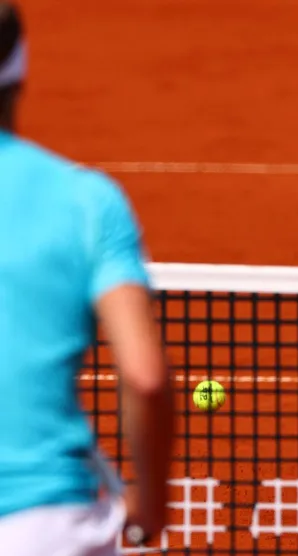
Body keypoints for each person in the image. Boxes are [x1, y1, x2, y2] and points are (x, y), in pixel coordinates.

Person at [0, 3, 175, 554]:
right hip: (47, 526)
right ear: (21, 70)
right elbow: (145, 377)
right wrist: (151, 504)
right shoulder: (86, 201)